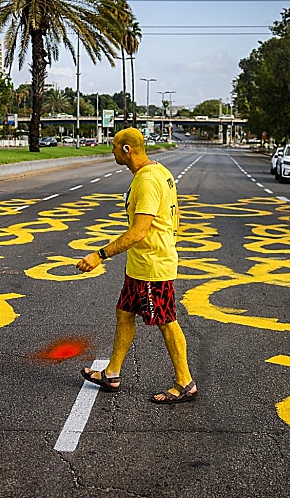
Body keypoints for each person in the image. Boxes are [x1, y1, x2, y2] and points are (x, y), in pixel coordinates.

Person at [76, 127, 198, 404]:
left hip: (152, 266)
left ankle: (185, 382)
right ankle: (112, 373)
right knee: (124, 313)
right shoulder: (159, 171)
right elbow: (176, 214)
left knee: (167, 322)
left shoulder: (146, 181)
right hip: (141, 265)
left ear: (127, 150)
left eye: (115, 146)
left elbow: (138, 231)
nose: (112, 151)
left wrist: (100, 255)